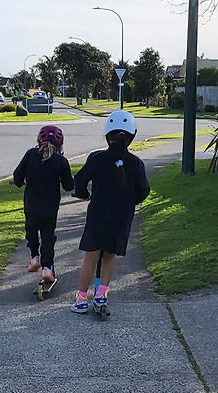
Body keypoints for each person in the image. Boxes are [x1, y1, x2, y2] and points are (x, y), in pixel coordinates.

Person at [70, 110, 150, 313]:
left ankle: (81, 299)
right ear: (131, 136)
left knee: (91, 258)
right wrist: (129, 202)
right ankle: (101, 296)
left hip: (98, 215)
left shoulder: (96, 158)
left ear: (107, 135)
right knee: (109, 257)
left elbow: (79, 181)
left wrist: (83, 194)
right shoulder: (136, 163)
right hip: (121, 218)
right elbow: (143, 191)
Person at [12, 125, 74, 285]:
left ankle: (34, 257)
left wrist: (25, 180)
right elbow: (69, 186)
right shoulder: (61, 161)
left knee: (31, 230)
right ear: (60, 143)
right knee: (48, 238)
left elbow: (17, 178)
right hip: (50, 207)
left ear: (39, 140)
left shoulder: (30, 154)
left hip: (31, 205)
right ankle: (47, 268)